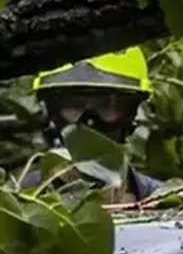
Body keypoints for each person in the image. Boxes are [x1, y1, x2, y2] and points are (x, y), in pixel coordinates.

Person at [27, 47, 162, 201]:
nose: (89, 122)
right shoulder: (18, 201)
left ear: (131, 113)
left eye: (105, 105)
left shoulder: (165, 201)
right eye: (74, 105)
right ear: (51, 111)